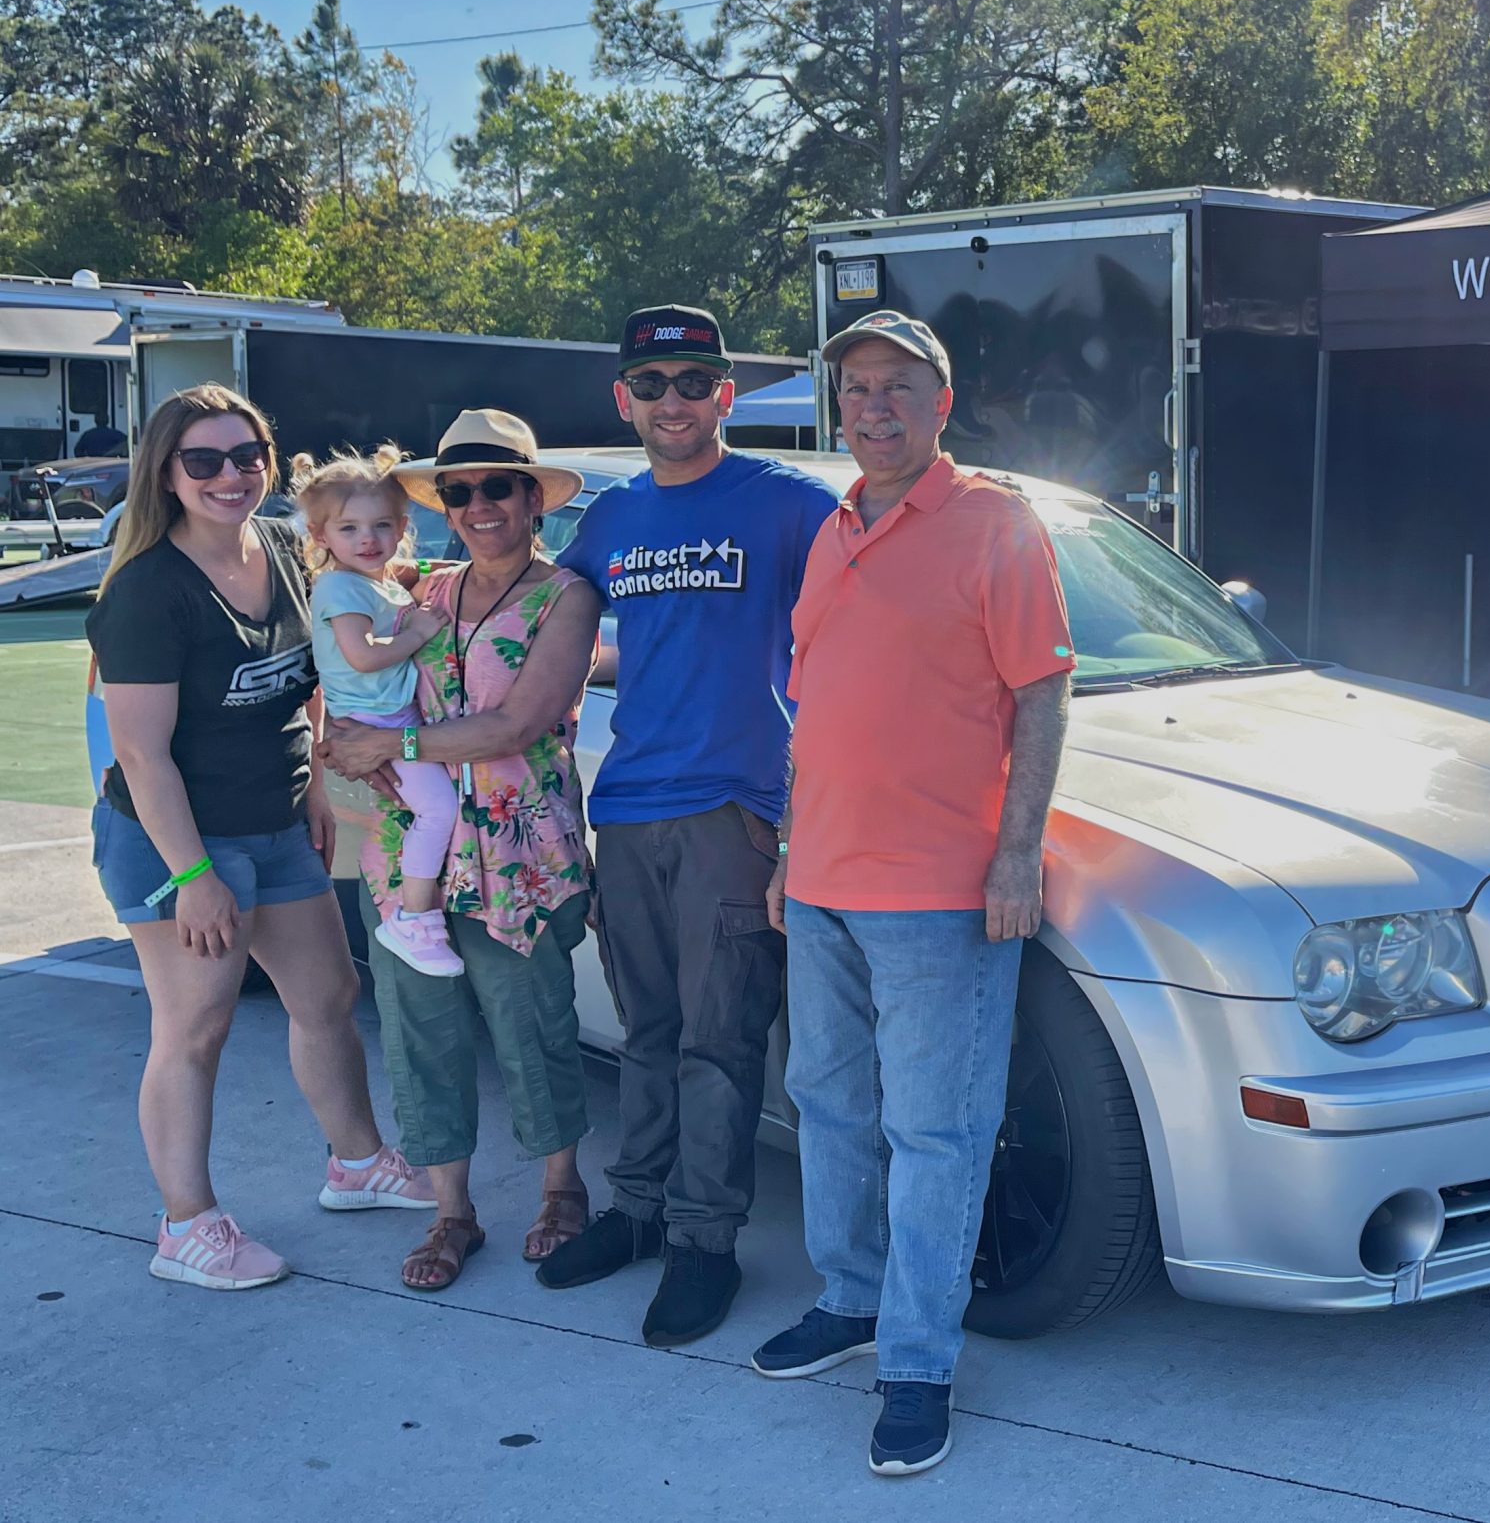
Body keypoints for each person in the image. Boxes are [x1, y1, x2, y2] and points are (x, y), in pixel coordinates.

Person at [752, 311, 1074, 1476]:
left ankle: (917, 1362)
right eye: (854, 388)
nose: (872, 406)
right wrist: (791, 850)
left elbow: (1041, 694)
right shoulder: (837, 527)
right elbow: (815, 712)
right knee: (828, 1104)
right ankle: (846, 1302)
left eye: (895, 386)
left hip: (938, 890)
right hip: (826, 879)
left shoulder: (994, 523)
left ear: (942, 401)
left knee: (934, 1132)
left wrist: (1015, 854)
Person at [85, 383, 435, 1293]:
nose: (230, 476)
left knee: (327, 993)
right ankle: (186, 1225)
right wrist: (196, 874)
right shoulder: (146, 592)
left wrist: (317, 777)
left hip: (278, 822)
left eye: (246, 457)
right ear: (167, 472)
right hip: (178, 840)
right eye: (204, 460)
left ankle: (357, 1165)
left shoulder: (284, 548)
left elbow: (317, 667)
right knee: (194, 1026)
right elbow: (141, 753)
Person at [536, 305, 838, 1347]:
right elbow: (533, 626)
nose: (674, 400)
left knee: (718, 1041)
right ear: (625, 399)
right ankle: (641, 1213)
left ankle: (706, 1242)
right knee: (646, 1034)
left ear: (727, 395)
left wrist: (799, 820)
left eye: (693, 381)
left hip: (732, 811)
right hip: (625, 807)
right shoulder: (611, 520)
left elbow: (854, 646)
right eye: (652, 382)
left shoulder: (792, 505)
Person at [318, 410, 600, 1291]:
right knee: (420, 1034)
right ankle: (453, 1211)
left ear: (531, 499)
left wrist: (389, 749)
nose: (478, 504)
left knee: (535, 1027)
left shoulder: (566, 596)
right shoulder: (421, 592)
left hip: (522, 855)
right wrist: (332, 744)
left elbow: (519, 721)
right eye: (459, 490)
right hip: (412, 860)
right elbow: (338, 616)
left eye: (496, 486)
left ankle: (561, 1189)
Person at [291, 449, 461, 977]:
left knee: (427, 810)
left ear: (402, 528)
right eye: (349, 528)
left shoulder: (378, 581)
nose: (367, 539)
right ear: (321, 538)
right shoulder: (341, 586)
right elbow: (362, 655)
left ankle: (417, 906)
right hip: (380, 724)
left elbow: (410, 580)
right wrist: (416, 634)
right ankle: (414, 917)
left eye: (381, 525)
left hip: (386, 718)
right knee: (438, 811)